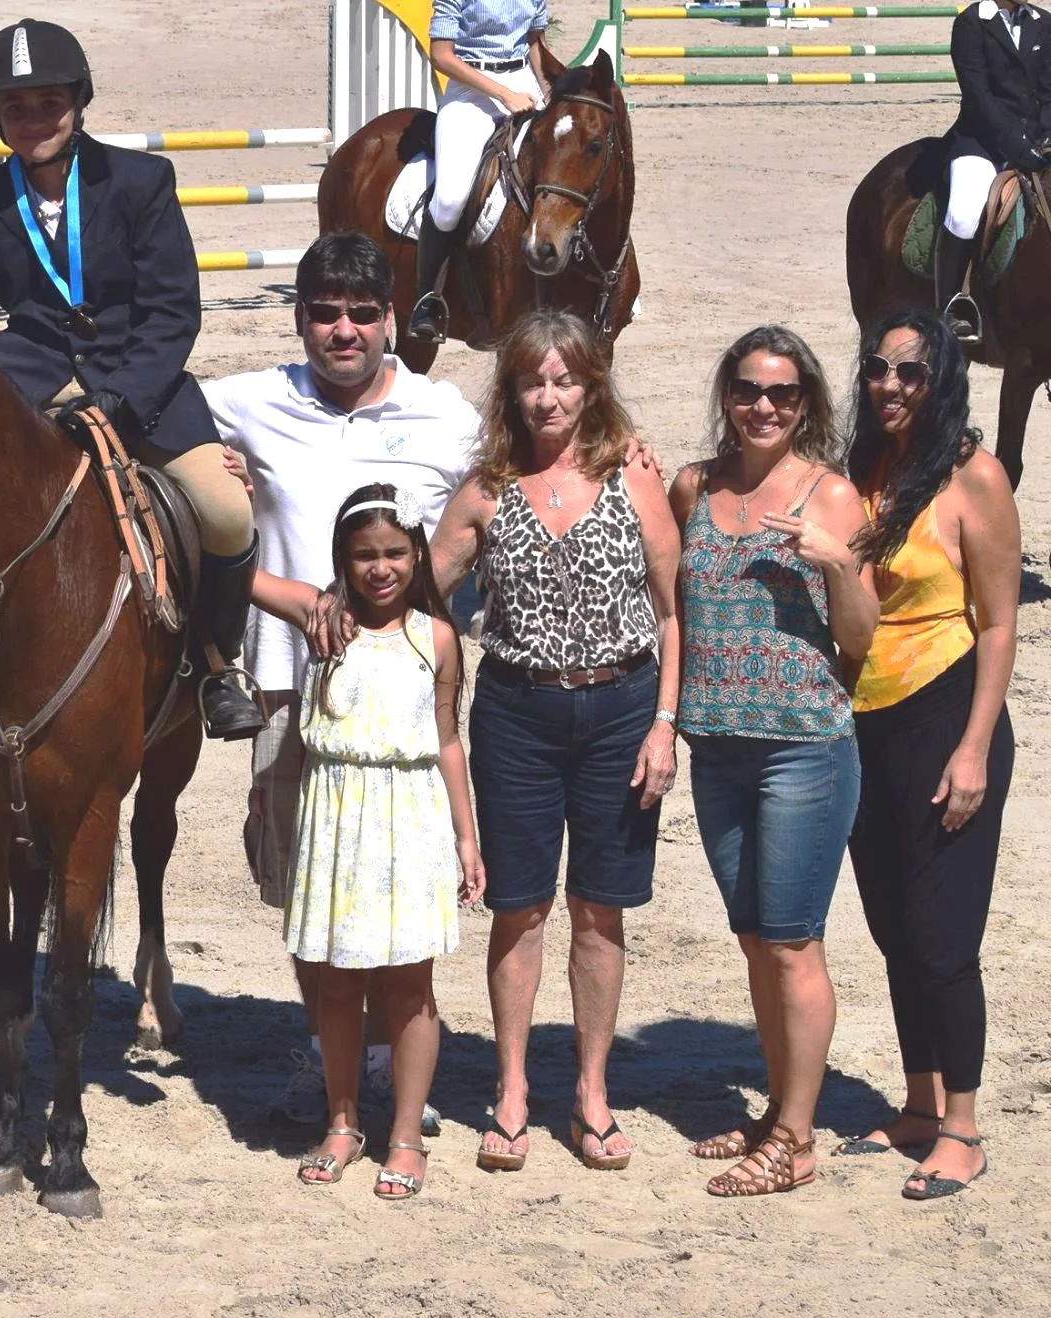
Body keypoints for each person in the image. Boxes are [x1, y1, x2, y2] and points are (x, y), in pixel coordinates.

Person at [0, 18, 264, 742]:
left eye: (49, 103)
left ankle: (216, 666)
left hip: (143, 381)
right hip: (29, 374)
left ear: (79, 103)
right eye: (16, 108)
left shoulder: (142, 182)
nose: (34, 119)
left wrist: (122, 397)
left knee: (227, 509)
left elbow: (173, 312)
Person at [204, 232, 479, 1129]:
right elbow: (157, 457)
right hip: (295, 683)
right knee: (306, 884)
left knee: (397, 888)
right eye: (325, 314)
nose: (344, 331)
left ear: (393, 318)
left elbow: (495, 500)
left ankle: (377, 1068)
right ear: (300, 319)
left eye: (364, 313)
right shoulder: (246, 401)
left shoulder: (447, 415)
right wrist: (220, 483)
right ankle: (341, 1067)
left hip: (405, 695)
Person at [429, 308, 680, 1173]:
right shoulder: (486, 489)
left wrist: (664, 723)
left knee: (600, 910)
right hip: (516, 716)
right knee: (520, 906)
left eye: (565, 378)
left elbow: (671, 609)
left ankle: (592, 1089)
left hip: (620, 710)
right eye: (533, 379)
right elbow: (419, 590)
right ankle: (510, 1086)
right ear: (511, 389)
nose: (549, 396)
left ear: (591, 385)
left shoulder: (632, 474)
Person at [669, 327, 878, 1197]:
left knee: (793, 942)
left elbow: (861, 640)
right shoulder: (693, 486)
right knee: (756, 938)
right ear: (727, 393)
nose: (763, 406)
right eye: (750, 390)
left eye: (782, 394)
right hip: (715, 749)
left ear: (806, 404)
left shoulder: (832, 497)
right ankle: (774, 1112)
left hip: (805, 748)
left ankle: (795, 1136)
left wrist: (836, 564)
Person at [838, 309, 1019, 1200]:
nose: (891, 385)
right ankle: (916, 1100)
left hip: (947, 713)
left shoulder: (972, 476)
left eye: (911, 371)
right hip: (865, 719)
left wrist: (976, 746)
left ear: (942, 376)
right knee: (893, 928)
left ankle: (964, 1126)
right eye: (878, 369)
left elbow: (999, 622)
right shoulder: (861, 469)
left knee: (945, 937)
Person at [277, 486, 481, 1198]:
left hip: (411, 816)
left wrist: (467, 836)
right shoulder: (323, 622)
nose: (381, 567)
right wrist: (238, 494)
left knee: (410, 985)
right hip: (336, 816)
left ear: (418, 553)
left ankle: (402, 1132)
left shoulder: (438, 637)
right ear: (342, 560)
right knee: (336, 979)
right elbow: (237, 567)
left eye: (395, 551)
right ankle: (341, 1120)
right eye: (363, 555)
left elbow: (449, 741)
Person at [409, 0, 553, 343]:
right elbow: (442, 56)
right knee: (449, 199)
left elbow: (536, 43)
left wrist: (549, 90)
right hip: (471, 89)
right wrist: (503, 94)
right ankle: (428, 300)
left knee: (569, 162)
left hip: (523, 79)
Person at [937, 0, 1051, 341]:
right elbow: (979, 97)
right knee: (964, 211)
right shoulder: (972, 23)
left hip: (1037, 141)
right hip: (981, 142)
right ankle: (954, 304)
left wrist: (1045, 137)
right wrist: (1017, 147)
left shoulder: (1044, 23)